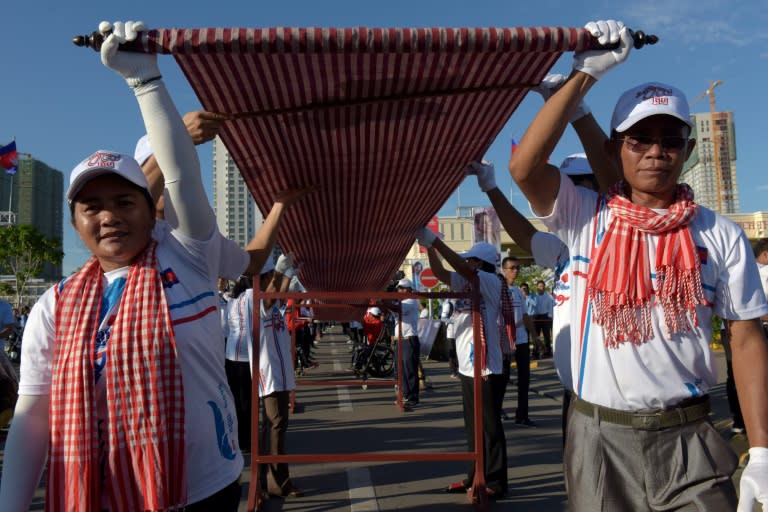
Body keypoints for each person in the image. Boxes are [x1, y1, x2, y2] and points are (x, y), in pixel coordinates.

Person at [0, 20, 310, 511]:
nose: (108, 218)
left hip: (205, 488)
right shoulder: (53, 306)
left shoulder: (189, 253)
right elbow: (34, 415)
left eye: (125, 203)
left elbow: (184, 178)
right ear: (75, 223)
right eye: (91, 207)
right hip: (102, 494)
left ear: (149, 208)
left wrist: (145, 82)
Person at [507, 19, 768, 511]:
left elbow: (746, 338)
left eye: (670, 140)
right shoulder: (587, 218)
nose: (655, 152)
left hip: (689, 435)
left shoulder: (721, 234)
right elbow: (524, 169)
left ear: (688, 151)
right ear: (614, 149)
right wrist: (583, 78)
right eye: (638, 139)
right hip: (599, 435)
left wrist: (762, 451)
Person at [418, 234, 509, 500]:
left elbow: (462, 269)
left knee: (490, 427)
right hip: (469, 366)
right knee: (473, 427)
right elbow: (439, 273)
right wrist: (429, 249)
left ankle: (495, 480)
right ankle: (475, 475)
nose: (468, 261)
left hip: (487, 367)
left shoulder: (491, 281)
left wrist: (436, 242)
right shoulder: (470, 280)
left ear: (484, 263)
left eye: (473, 259)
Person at [249, 253, 305, 499]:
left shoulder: (272, 301)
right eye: (272, 276)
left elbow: (279, 295)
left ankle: (271, 480)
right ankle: (274, 483)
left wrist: (289, 273)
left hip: (279, 373)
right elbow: (272, 296)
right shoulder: (254, 299)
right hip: (268, 373)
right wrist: (282, 270)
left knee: (277, 425)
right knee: (274, 425)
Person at [500, 256, 532, 425]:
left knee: (524, 378)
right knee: (503, 377)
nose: (515, 271)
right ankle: (497, 408)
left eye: (517, 268)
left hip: (521, 339)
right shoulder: (499, 289)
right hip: (504, 340)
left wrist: (535, 336)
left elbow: (526, 315)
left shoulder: (519, 291)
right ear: (504, 269)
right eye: (512, 268)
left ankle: (522, 415)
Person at [224, 276, 255, 453]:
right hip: (247, 355)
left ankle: (237, 437)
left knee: (235, 400)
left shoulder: (231, 299)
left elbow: (226, 326)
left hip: (231, 353)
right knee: (248, 401)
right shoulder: (251, 296)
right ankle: (247, 440)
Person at [394, 277, 421, 407]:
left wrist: (385, 300)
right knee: (401, 370)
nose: (399, 290)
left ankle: (413, 398)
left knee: (410, 369)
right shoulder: (402, 302)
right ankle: (405, 394)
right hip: (400, 339)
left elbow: (397, 309)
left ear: (409, 290)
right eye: (398, 288)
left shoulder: (411, 300)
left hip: (409, 339)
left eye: (402, 288)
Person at [531, 279, 555, 357]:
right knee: (536, 335)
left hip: (545, 317)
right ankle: (536, 352)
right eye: (540, 286)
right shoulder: (533, 296)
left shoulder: (548, 297)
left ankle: (548, 351)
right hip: (536, 317)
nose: (541, 288)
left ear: (544, 287)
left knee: (547, 335)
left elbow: (550, 307)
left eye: (542, 286)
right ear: (537, 287)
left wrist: (550, 317)